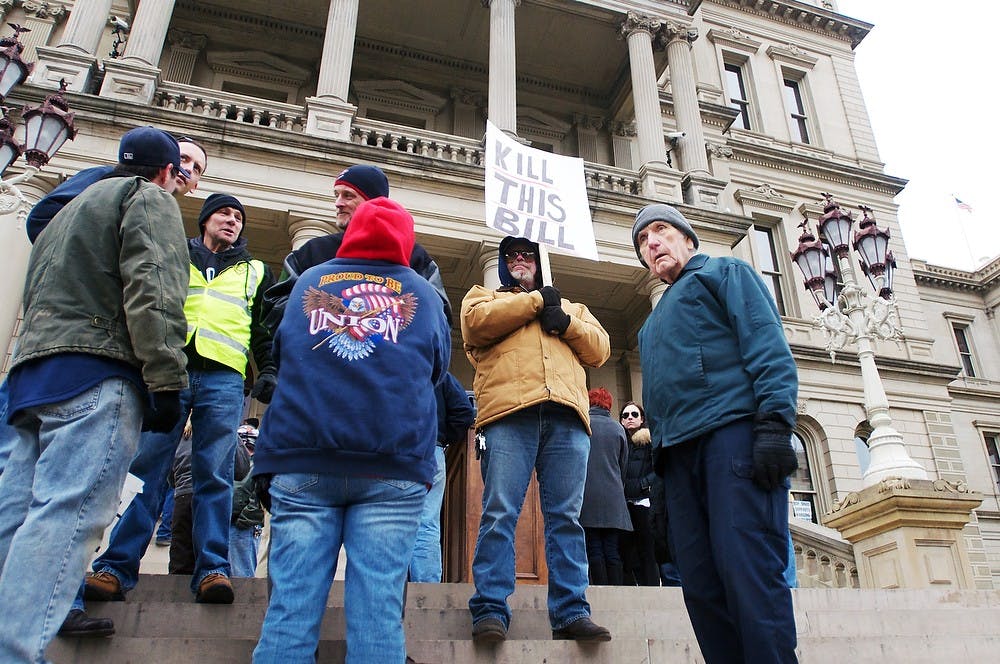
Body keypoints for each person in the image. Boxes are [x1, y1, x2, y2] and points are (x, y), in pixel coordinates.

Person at [0, 126, 191, 662]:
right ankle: (18, 651)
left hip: (33, 376)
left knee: (13, 516)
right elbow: (152, 290)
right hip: (97, 372)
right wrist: (167, 380)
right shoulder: (146, 197)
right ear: (164, 172)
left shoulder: (66, 211)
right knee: (69, 514)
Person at [251, 197, 450, 663]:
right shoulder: (422, 293)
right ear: (405, 240)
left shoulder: (307, 283)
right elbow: (437, 371)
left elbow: (280, 349)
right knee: (379, 614)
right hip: (391, 463)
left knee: (289, 611)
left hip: (303, 457)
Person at [86, 192, 277, 606]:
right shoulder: (176, 254)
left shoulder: (256, 270)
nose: (232, 221)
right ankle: (116, 566)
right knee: (147, 468)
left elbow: (261, 328)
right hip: (169, 372)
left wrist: (269, 369)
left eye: (238, 217)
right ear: (205, 220)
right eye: (224, 214)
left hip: (225, 379)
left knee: (216, 473)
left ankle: (212, 569)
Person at [633, 203, 799, 663]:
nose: (652, 243)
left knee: (748, 574)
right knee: (701, 590)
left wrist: (774, 424)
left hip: (732, 439)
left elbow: (767, 343)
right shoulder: (649, 327)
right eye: (644, 241)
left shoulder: (725, 273)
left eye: (661, 231)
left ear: (688, 238)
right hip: (678, 463)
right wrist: (660, 478)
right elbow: (658, 405)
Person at [461, 235, 612, 643]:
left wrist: (564, 320)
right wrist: (535, 303)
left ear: (540, 261)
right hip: (509, 415)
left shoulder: (572, 308)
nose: (520, 260)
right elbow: (475, 327)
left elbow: (600, 350)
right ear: (503, 265)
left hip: (565, 417)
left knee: (566, 519)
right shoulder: (483, 298)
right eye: (511, 256)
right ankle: (490, 609)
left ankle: (571, 612)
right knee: (499, 513)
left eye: (527, 254)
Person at [263, 164, 452, 331]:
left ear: (373, 202)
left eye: (348, 195)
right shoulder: (312, 251)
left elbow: (440, 317)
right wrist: (327, 320)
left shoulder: (415, 257)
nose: (338, 203)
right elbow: (274, 308)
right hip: (319, 365)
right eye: (336, 195)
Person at [409, 372, 476, 583]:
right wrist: (444, 437)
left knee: (387, 522)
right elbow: (465, 412)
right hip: (432, 451)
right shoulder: (439, 374)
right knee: (427, 524)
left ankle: (388, 591)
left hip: (393, 450)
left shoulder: (390, 362)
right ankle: (428, 591)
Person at [579, 388, 632, 586]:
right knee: (611, 548)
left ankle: (599, 589)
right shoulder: (618, 428)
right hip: (613, 496)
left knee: (593, 547)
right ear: (609, 405)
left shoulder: (583, 424)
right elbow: (623, 464)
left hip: (588, 494)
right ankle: (616, 590)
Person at [618, 401, 660, 586]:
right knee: (627, 552)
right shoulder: (618, 441)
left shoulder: (650, 440)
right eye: (625, 415)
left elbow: (658, 468)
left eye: (634, 415)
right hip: (623, 503)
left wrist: (644, 484)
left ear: (642, 418)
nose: (630, 418)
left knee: (647, 552)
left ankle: (651, 589)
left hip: (644, 502)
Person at [229, 424, 264, 578]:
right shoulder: (229, 462)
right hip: (227, 522)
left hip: (243, 526)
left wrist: (245, 519)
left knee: (241, 574)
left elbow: (259, 496)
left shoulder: (260, 465)